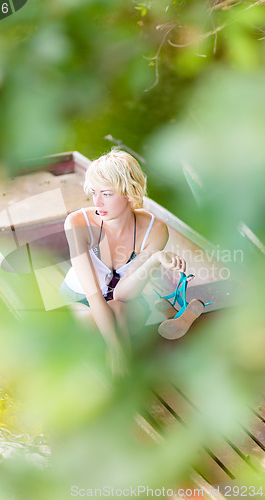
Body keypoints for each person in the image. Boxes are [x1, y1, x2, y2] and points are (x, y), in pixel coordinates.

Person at [59, 150, 187, 375]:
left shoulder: (155, 230)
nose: (97, 202)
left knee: (116, 309)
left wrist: (155, 259)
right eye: (94, 192)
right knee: (97, 324)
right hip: (82, 301)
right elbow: (93, 295)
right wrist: (117, 349)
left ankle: (116, 364)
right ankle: (122, 360)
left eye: (106, 194)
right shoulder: (77, 222)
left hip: (124, 303)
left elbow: (122, 295)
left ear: (129, 192)